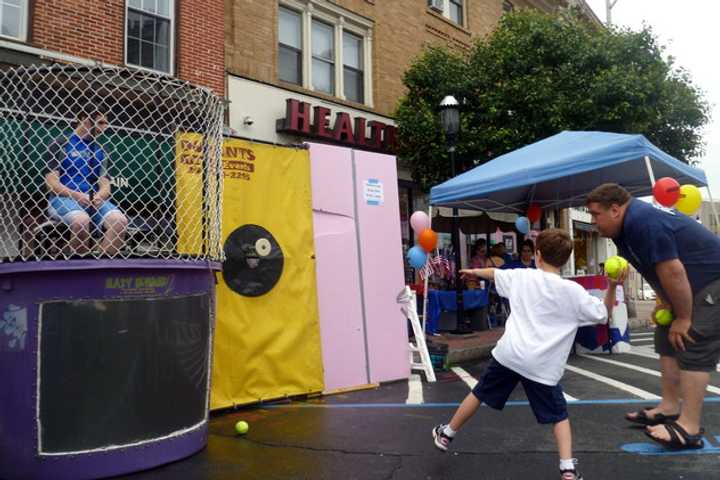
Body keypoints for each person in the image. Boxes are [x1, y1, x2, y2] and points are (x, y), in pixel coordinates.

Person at [432, 229, 623, 480]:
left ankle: (447, 434)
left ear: (538, 255)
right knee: (558, 415)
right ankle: (567, 468)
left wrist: (474, 272)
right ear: (565, 260)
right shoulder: (573, 291)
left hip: (510, 355)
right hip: (542, 366)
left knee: (478, 393)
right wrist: (611, 285)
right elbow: (602, 314)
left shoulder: (523, 277)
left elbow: (495, 274)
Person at [587, 183, 720, 449]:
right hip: (687, 286)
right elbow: (652, 269)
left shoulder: (643, 222)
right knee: (665, 337)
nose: (593, 222)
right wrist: (666, 302)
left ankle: (689, 428)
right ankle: (669, 408)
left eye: (595, 214)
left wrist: (683, 317)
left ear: (615, 209)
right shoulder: (622, 230)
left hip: (712, 281)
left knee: (692, 340)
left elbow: (673, 271)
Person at [45, 109, 128, 256]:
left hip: (92, 201)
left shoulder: (102, 149)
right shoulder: (61, 143)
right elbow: (51, 183)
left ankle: (99, 268)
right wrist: (77, 196)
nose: (104, 127)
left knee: (120, 221)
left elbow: (105, 185)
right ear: (84, 119)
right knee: (81, 221)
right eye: (101, 122)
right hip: (63, 199)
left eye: (106, 123)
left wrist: (99, 196)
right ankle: (77, 269)